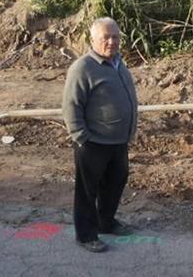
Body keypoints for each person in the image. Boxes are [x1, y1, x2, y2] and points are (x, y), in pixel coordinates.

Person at [62, 17, 138, 253]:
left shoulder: (118, 63)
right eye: (106, 37)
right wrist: (81, 137)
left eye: (115, 37)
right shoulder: (82, 68)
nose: (112, 42)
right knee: (87, 191)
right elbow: (71, 105)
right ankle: (85, 235)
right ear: (93, 40)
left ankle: (106, 222)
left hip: (118, 141)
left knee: (115, 182)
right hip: (93, 142)